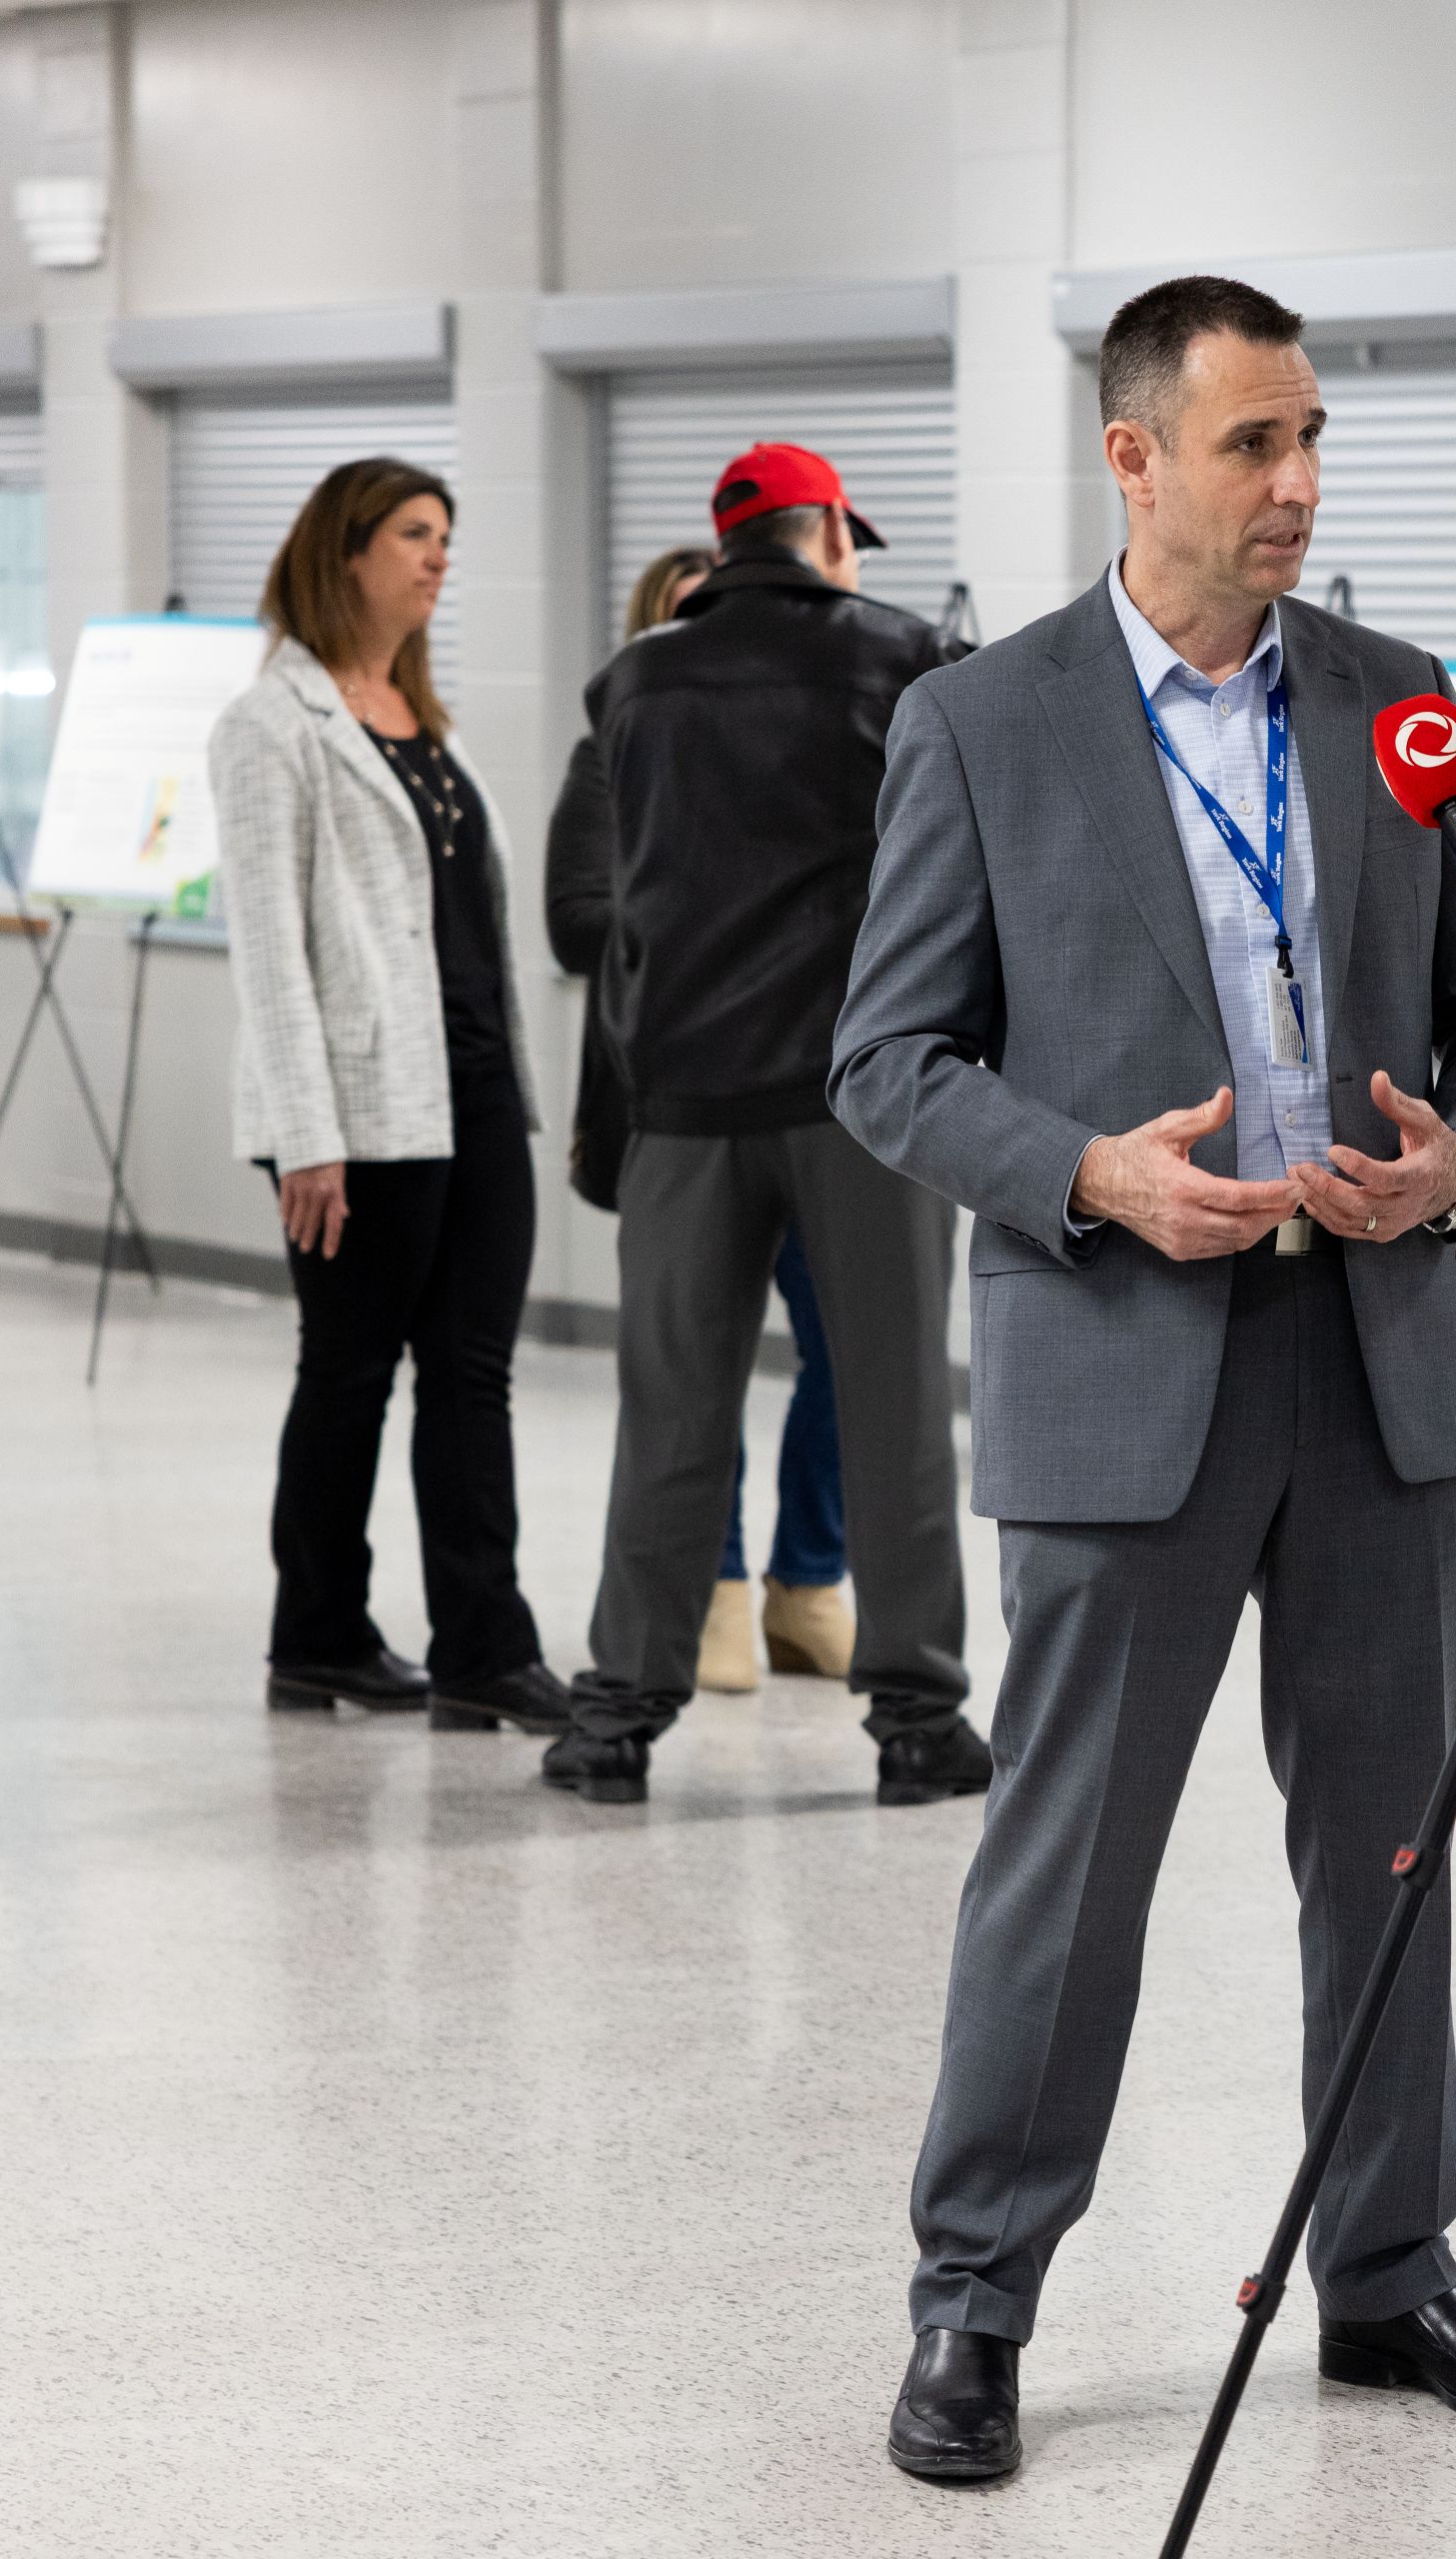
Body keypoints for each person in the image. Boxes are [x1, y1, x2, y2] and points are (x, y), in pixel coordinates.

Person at [830, 274, 1456, 2487]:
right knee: (1067, 1866)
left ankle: (1389, 2261)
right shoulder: (979, 723)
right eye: (1252, 445)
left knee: (1387, 1845)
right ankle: (975, 2297)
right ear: (1132, 458)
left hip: (1373, 1364)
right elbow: (885, 1058)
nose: (1299, 486)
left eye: (1311, 439)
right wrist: (1081, 1171)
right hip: (1120, 1357)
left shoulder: (1399, 702)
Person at [543, 445, 982, 1808]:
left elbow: (596, 908)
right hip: (863, 1100)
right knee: (898, 1402)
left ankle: (615, 1721)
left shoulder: (630, 685)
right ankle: (915, 1723)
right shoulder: (908, 663)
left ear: (722, 545)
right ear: (826, 535)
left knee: (669, 1412)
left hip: (680, 1104)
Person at [215, 457, 574, 1741]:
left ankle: (484, 1646)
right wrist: (306, 1136)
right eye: (416, 535)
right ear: (347, 549)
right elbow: (268, 948)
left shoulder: (431, 721)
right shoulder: (272, 727)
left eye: (446, 539)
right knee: (352, 1369)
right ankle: (316, 1634)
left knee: (472, 1374)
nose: (438, 558)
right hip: (356, 1111)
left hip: (472, 1086)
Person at [545, 543, 855, 1696]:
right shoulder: (613, 753)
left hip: (822, 1106)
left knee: (845, 1364)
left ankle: (807, 1580)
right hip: (676, 1109)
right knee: (692, 1376)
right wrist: (706, 887)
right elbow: (576, 922)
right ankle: (712, 1589)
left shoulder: (807, 750)